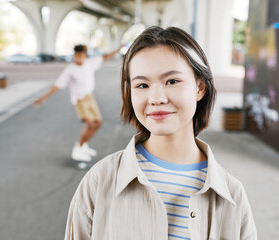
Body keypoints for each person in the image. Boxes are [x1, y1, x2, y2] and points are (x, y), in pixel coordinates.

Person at [64, 26, 257, 239]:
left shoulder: (232, 196)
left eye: (171, 81)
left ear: (200, 87)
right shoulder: (99, 181)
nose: (156, 98)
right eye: (142, 85)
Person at [33, 44, 123, 162]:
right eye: (76, 55)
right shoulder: (70, 69)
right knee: (89, 123)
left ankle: (84, 145)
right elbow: (57, 85)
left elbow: (105, 57)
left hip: (90, 97)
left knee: (98, 123)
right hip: (79, 100)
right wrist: (43, 98)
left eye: (80, 55)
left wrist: (118, 48)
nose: (78, 58)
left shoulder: (90, 63)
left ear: (85, 56)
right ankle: (78, 149)